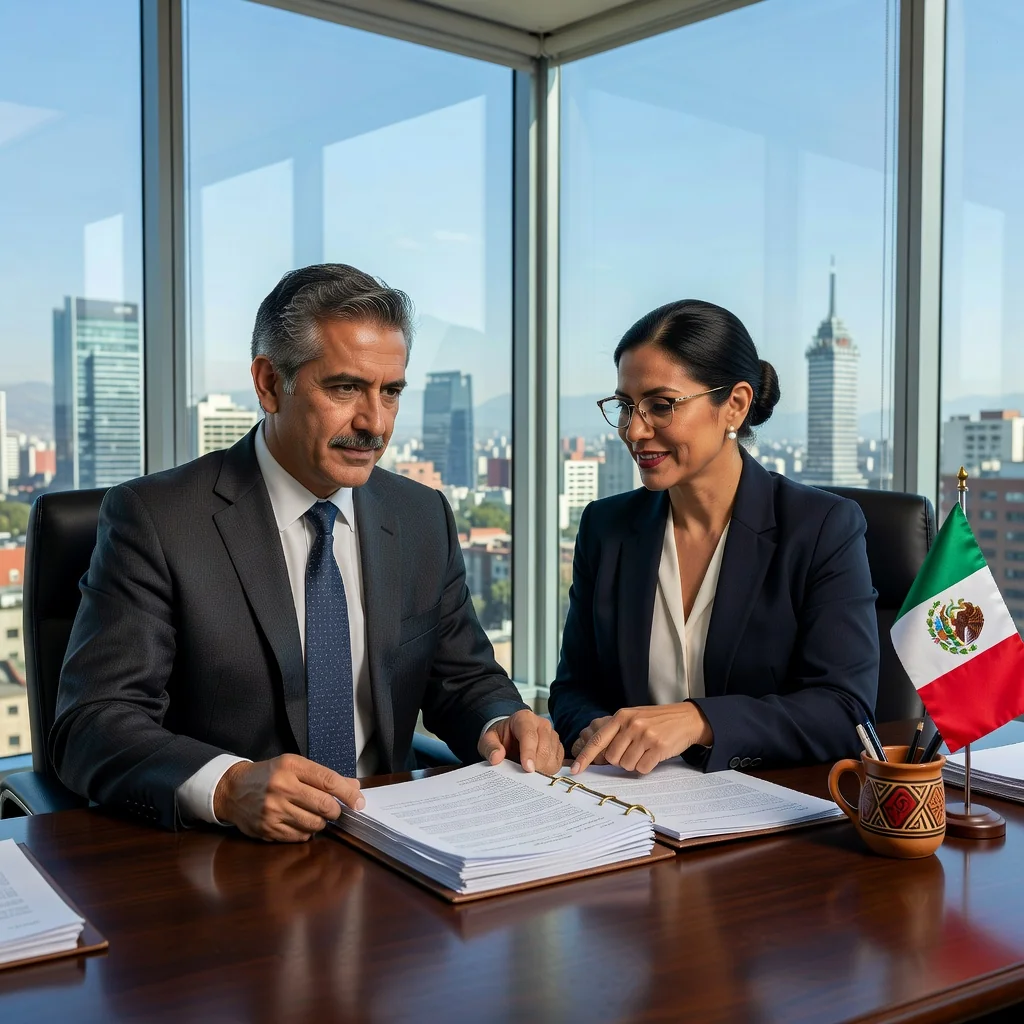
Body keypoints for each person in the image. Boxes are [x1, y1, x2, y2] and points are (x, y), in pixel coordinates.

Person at [51, 263, 562, 840]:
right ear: (270, 383)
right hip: (227, 857)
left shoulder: (421, 517)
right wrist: (227, 786)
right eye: (345, 388)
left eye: (390, 392)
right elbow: (92, 723)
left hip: (396, 844)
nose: (374, 423)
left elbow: (464, 679)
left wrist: (503, 719)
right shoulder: (157, 519)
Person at [551, 299, 878, 776]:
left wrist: (700, 720)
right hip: (632, 809)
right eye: (625, 406)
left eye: (661, 406)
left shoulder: (822, 527)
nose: (634, 430)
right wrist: (602, 731)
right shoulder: (606, 527)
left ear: (735, 406)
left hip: (770, 816)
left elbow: (845, 711)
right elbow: (573, 689)